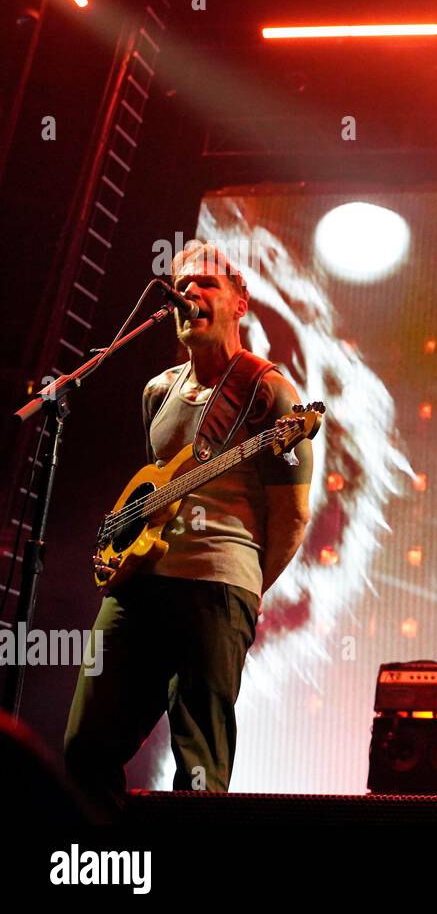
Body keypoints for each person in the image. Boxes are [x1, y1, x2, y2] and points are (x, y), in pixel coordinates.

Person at [64, 240, 313, 812]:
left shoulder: (269, 392)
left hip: (218, 588)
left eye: (205, 283)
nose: (188, 294)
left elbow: (293, 515)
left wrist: (243, 592)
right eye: (180, 285)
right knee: (85, 748)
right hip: (137, 587)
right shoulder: (158, 390)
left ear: (240, 301)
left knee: (198, 766)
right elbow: (152, 483)